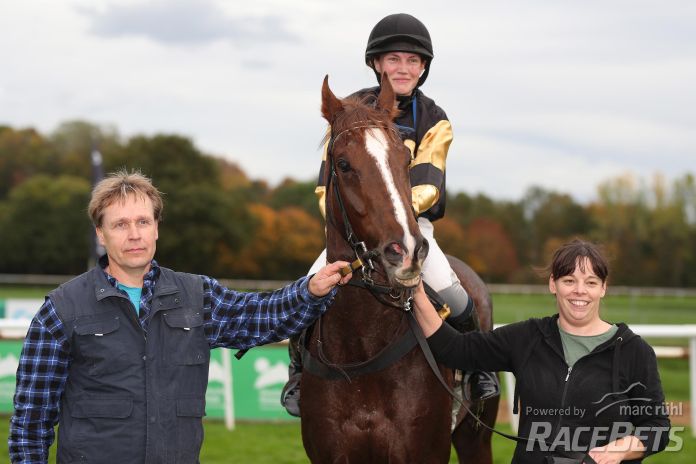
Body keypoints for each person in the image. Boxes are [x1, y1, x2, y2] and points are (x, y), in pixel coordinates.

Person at [8, 170, 351, 464]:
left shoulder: (197, 296)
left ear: (156, 227)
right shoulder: (61, 309)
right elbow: (30, 422)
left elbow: (258, 316)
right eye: (120, 224)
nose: (134, 234)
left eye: (143, 222)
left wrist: (310, 291)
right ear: (100, 233)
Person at [280, 12, 499, 418]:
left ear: (423, 68)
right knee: (304, 293)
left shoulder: (434, 119)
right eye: (394, 59)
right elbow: (325, 188)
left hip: (414, 226)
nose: (403, 68)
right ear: (377, 63)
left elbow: (429, 186)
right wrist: (360, 223)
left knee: (457, 297)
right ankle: (298, 373)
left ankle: (478, 372)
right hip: (353, 232)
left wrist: (391, 217)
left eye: (413, 60)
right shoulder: (347, 111)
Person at [413, 239, 671, 463]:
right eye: (569, 280)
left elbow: (657, 428)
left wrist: (616, 451)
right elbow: (456, 349)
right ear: (553, 284)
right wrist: (415, 289)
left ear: (603, 288)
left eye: (591, 282)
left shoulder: (634, 351)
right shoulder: (527, 337)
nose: (580, 290)